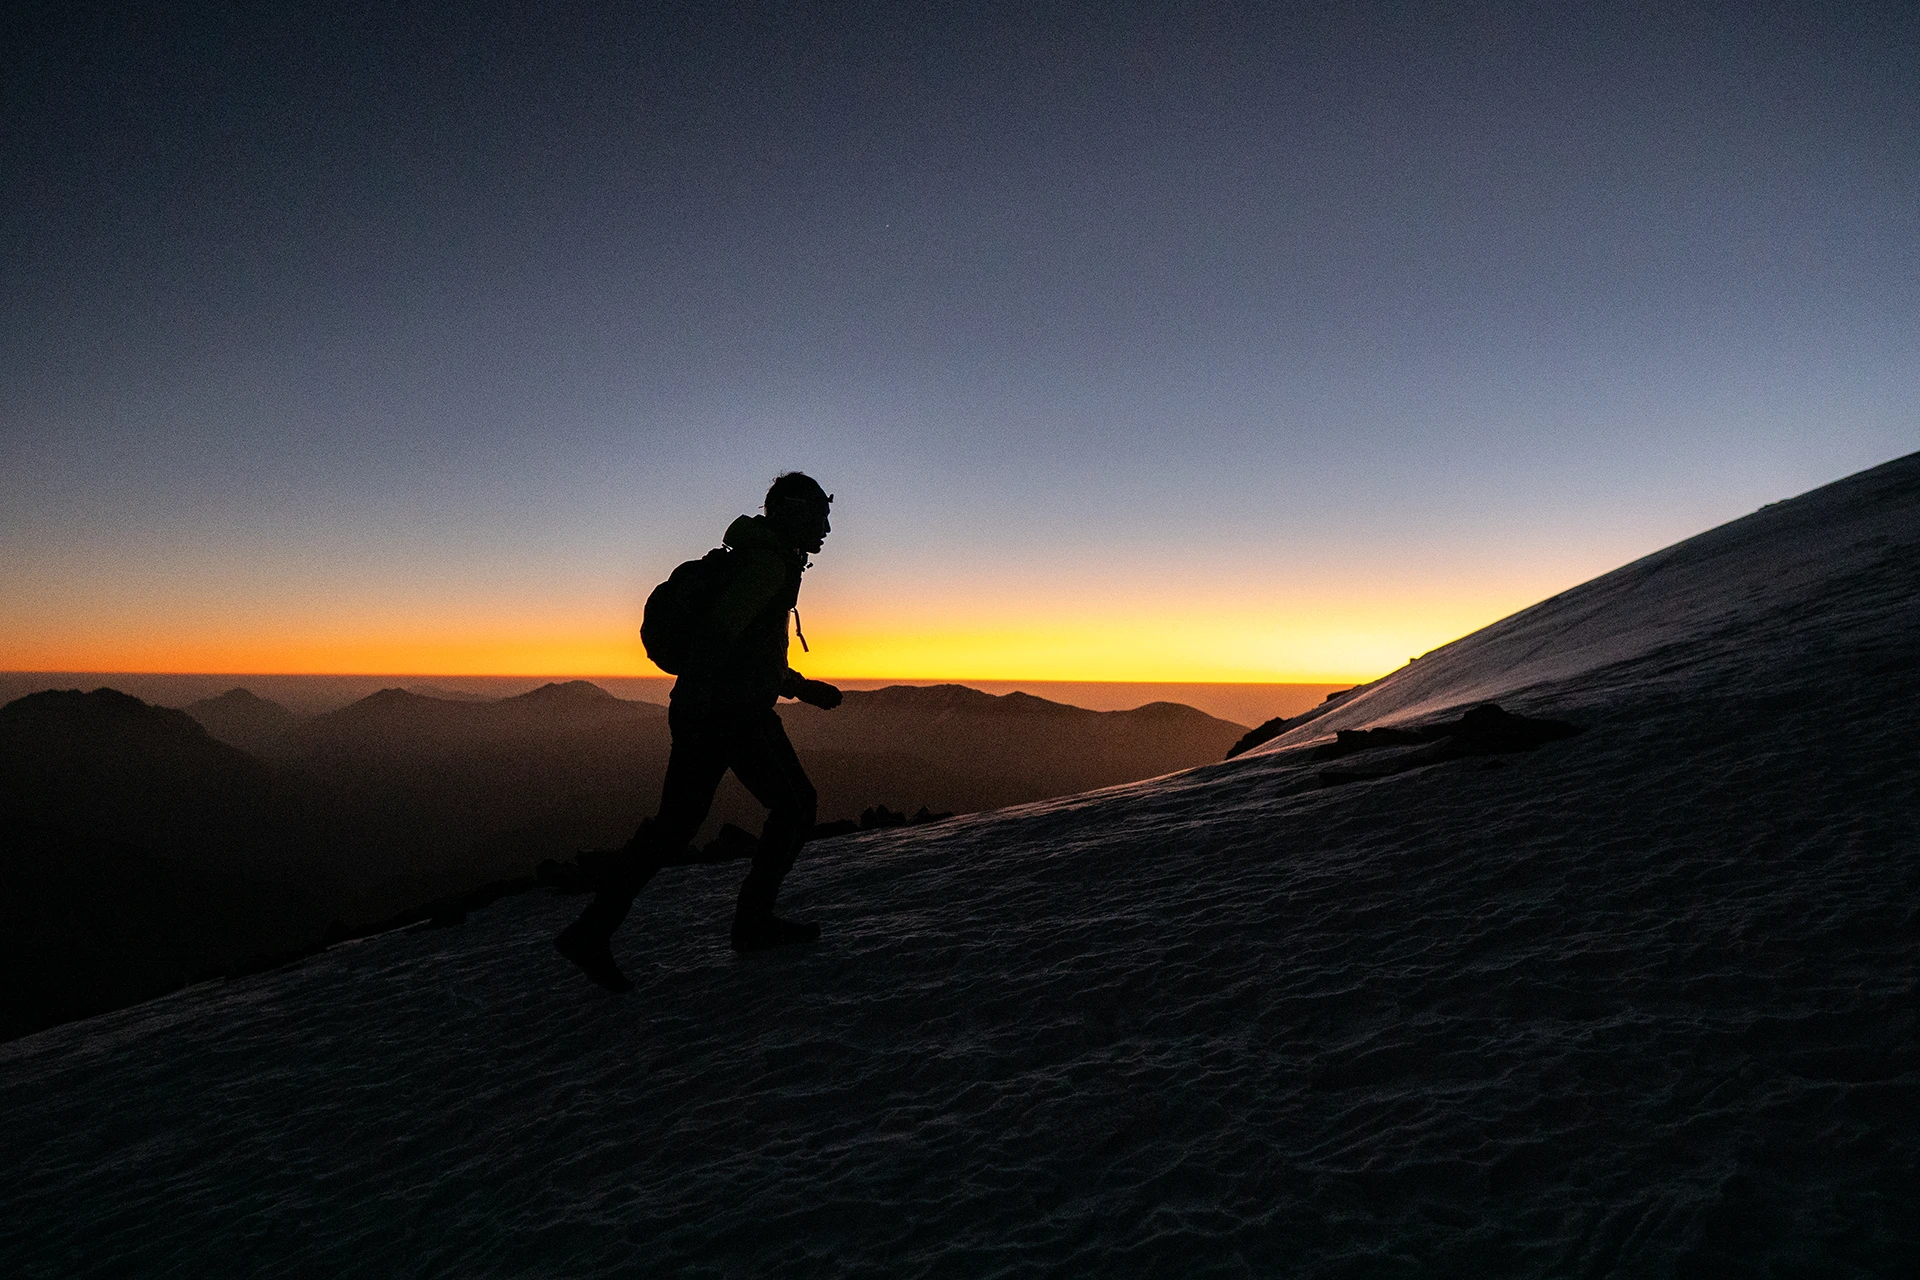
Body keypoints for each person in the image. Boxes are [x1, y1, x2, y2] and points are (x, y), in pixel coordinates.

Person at [555, 472, 843, 991]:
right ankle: (751, 922)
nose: (826, 527)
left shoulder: (764, 561)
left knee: (674, 828)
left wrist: (798, 686)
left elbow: (746, 648)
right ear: (793, 512)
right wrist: (710, 706)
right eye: (820, 514)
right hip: (731, 714)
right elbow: (719, 637)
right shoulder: (765, 565)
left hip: (709, 711)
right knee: (796, 806)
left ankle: (591, 931)